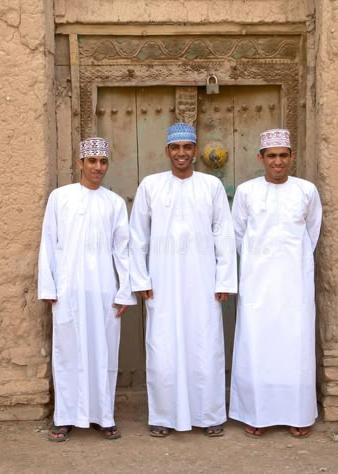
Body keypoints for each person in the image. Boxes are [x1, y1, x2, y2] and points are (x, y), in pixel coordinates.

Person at [129, 122, 237, 437]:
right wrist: (141, 279)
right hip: (161, 283)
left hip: (203, 282)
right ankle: (163, 416)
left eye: (187, 148)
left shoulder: (211, 186)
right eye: (175, 148)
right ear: (167, 151)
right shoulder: (150, 185)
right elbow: (138, 236)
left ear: (194, 150)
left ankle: (209, 415)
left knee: (206, 345)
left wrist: (224, 281)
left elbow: (224, 233)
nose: (181, 154)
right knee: (162, 346)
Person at [38, 137, 136, 442]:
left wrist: (125, 290)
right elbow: (49, 243)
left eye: (103, 162)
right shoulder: (60, 197)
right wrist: (49, 285)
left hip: (103, 290)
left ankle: (103, 416)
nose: (97, 167)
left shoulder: (115, 202)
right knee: (67, 352)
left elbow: (123, 250)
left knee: (103, 352)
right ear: (80, 163)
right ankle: (64, 417)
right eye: (91, 161)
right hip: (68, 289)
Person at [229, 128, 322, 438]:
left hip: (295, 281)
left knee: (295, 346)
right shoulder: (246, 192)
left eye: (284, 155)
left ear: (292, 157)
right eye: (272, 156)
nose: (278, 161)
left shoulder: (306, 191)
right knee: (258, 345)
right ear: (261, 158)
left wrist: (290, 261)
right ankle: (256, 414)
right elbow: (238, 235)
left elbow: (311, 233)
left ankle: (298, 413)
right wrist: (260, 264)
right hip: (258, 283)